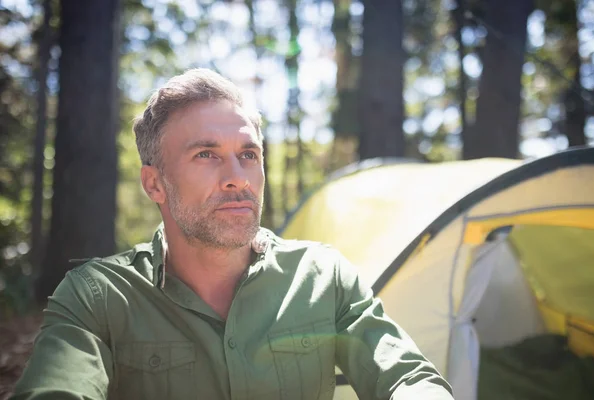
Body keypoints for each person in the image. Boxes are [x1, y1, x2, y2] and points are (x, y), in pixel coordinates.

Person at [12, 68, 453, 400]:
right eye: (206, 154)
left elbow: (407, 377)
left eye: (248, 154)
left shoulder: (324, 278)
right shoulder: (98, 297)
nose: (236, 178)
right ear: (154, 184)